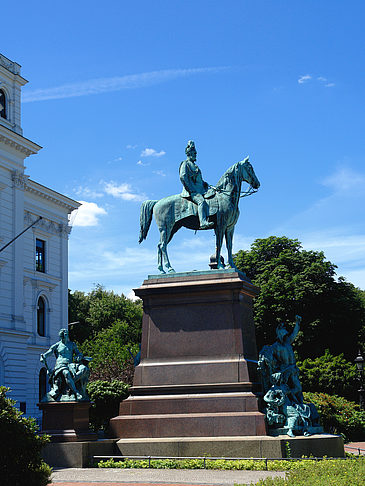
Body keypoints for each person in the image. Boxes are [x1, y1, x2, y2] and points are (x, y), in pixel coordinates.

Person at [40, 328, 90, 401]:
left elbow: (78, 353)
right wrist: (43, 357)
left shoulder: (72, 344)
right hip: (60, 364)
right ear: (61, 336)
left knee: (84, 369)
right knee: (66, 373)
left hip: (70, 364)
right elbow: (48, 353)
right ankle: (76, 392)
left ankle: (71, 382)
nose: (66, 336)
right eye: (64, 335)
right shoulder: (56, 345)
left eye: (66, 334)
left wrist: (78, 357)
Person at [179, 140, 215, 229]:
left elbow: (199, 180)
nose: (195, 155)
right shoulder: (185, 164)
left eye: (196, 153)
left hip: (201, 190)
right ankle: (203, 222)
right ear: (189, 153)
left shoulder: (195, 166)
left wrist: (207, 185)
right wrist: (191, 189)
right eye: (194, 153)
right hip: (192, 191)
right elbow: (183, 177)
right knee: (201, 202)